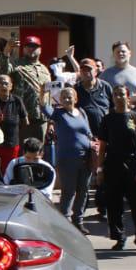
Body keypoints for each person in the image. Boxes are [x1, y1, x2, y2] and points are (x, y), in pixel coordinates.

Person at [98, 85, 136, 250]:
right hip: (113, 165)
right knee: (114, 205)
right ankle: (119, 238)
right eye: (115, 94)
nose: (118, 97)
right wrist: (100, 169)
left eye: (121, 94)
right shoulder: (108, 119)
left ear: (128, 97)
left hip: (133, 165)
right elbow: (102, 146)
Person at [49, 87, 94, 229]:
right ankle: (65, 222)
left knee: (83, 190)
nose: (67, 99)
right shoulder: (58, 114)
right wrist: (44, 91)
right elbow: (44, 106)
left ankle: (78, 221)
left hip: (85, 158)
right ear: (60, 100)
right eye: (64, 97)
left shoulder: (82, 112)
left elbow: (88, 132)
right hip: (67, 159)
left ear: (76, 98)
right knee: (69, 191)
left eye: (70, 97)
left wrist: (93, 144)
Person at [0, 74, 30, 170]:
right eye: (0, 83)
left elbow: (25, 121)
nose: (3, 86)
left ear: (11, 86)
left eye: (6, 83)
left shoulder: (17, 100)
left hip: (11, 143)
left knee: (8, 171)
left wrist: (15, 129)